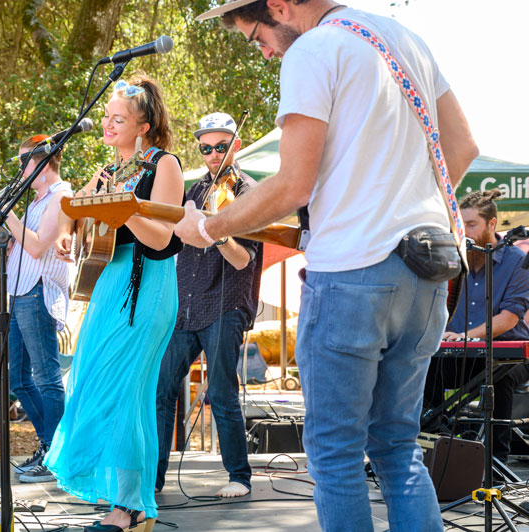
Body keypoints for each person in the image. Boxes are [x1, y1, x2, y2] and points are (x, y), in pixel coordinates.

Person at [174, 1, 479, 530]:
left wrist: (207, 227)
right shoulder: (405, 38)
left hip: (353, 275)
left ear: (280, 5)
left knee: (335, 453)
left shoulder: (314, 47)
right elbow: (463, 146)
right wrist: (398, 202)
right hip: (426, 272)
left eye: (257, 37)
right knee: (399, 448)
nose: (265, 52)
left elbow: (293, 185)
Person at [45, 74, 185, 532]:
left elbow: (163, 236)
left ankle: (131, 505)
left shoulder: (164, 165)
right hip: (110, 279)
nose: (107, 124)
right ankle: (125, 498)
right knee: (91, 378)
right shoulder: (110, 171)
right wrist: (69, 236)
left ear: (143, 126)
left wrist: (122, 208)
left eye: (117, 118)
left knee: (129, 390)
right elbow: (73, 209)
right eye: (105, 117)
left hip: (148, 281)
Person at [155, 112, 262, 498]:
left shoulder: (249, 192)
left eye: (220, 146)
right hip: (185, 306)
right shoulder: (194, 192)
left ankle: (239, 477)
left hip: (225, 302)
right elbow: (173, 245)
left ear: (235, 144)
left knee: (220, 391)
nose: (213, 154)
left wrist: (214, 232)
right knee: (161, 388)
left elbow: (243, 260)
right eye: (206, 148)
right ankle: (153, 478)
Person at [0, 135, 72, 483]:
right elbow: (20, 245)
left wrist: (9, 215)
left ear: (44, 163)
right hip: (18, 293)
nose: (20, 169)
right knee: (17, 378)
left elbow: (36, 247)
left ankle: (56, 454)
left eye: (24, 162)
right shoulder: (35, 200)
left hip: (37, 292)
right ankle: (50, 446)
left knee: (47, 378)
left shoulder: (61, 196)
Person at [424, 189, 529, 462]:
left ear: (492, 224)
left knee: (500, 377)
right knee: (422, 370)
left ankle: (495, 462)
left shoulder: (518, 262)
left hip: (508, 355)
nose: (465, 231)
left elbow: (509, 318)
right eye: (461, 224)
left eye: (472, 225)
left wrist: (464, 336)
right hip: (461, 354)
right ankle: (432, 449)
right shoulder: (453, 259)